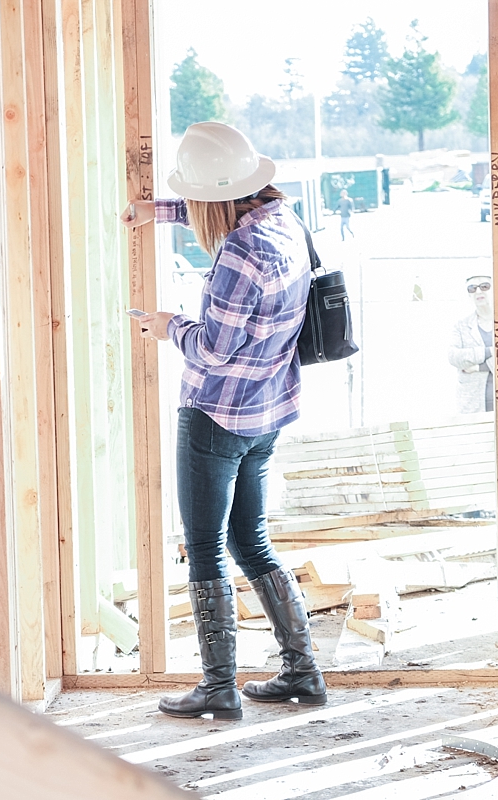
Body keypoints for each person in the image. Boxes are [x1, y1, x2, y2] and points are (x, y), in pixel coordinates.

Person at [122, 121, 327, 721]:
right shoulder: (282, 222)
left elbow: (211, 349)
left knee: (207, 549)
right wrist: (153, 212)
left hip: (215, 414)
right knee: (250, 540)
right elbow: (212, 214)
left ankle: (218, 687)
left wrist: (167, 326)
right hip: (266, 413)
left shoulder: (239, 251)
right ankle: (302, 672)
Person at [447, 275, 495, 413]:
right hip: (472, 405)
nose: (478, 292)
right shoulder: (461, 326)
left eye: (484, 286)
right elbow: (453, 357)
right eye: (472, 288)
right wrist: (489, 351)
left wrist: (478, 367)